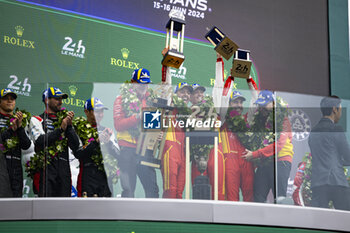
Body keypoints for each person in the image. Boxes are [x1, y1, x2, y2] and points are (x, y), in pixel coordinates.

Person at [113, 68, 159, 198]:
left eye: (146, 83)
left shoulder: (151, 100)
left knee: (153, 190)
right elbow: (118, 125)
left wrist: (157, 134)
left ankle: (152, 217)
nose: (144, 86)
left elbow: (152, 126)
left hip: (145, 150)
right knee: (129, 190)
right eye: (140, 83)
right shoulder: (121, 99)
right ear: (133, 82)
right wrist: (137, 117)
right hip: (128, 149)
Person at [243, 90, 293, 203]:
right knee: (258, 197)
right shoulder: (260, 121)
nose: (262, 108)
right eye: (260, 105)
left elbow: (279, 145)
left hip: (280, 162)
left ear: (273, 104)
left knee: (279, 199)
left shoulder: (283, 120)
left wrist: (255, 154)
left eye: (265, 105)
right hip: (264, 162)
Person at [31, 87, 80, 197]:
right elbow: (39, 141)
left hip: (64, 169)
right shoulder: (37, 120)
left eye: (61, 98)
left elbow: (76, 146)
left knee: (64, 208)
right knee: (46, 208)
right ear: (47, 100)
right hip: (47, 168)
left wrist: (70, 127)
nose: (60, 101)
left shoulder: (65, 120)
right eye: (57, 98)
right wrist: (60, 130)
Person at [308, 96, 350, 210]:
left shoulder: (313, 132)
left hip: (318, 183)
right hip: (337, 181)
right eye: (340, 109)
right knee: (345, 221)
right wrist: (340, 162)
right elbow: (348, 156)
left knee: (320, 223)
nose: (340, 112)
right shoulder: (336, 129)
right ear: (334, 109)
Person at [74, 97, 120, 197]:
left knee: (106, 210)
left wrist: (108, 143)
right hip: (87, 176)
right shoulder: (79, 129)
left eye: (102, 112)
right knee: (86, 210)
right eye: (97, 111)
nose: (100, 115)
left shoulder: (107, 131)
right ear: (87, 112)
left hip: (105, 177)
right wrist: (96, 142)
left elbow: (118, 155)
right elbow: (79, 153)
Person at [189, 83, 225, 200]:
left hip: (213, 151)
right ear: (190, 97)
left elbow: (219, 88)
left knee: (217, 189)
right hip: (196, 155)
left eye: (201, 92)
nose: (200, 94)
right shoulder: (187, 113)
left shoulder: (212, 107)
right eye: (196, 92)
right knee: (198, 189)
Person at [221, 90, 255, 202]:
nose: (239, 105)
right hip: (230, 161)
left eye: (241, 102)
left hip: (246, 160)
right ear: (229, 104)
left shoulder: (246, 119)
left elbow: (254, 104)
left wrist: (250, 83)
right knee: (231, 197)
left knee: (250, 195)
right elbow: (223, 99)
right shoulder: (222, 119)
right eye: (236, 102)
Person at [161, 82, 192, 198]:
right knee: (170, 190)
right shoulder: (170, 107)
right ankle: (166, 215)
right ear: (175, 93)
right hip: (170, 151)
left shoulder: (186, 114)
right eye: (182, 91)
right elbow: (167, 86)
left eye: (188, 93)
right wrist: (167, 68)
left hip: (182, 154)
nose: (186, 95)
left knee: (179, 192)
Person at [0, 88, 31, 197]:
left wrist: (19, 128)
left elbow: (26, 145)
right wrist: (10, 130)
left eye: (12, 99)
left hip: (16, 167)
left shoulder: (20, 120)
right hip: (2, 165)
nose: (9, 101)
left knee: (15, 202)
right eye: (6, 99)